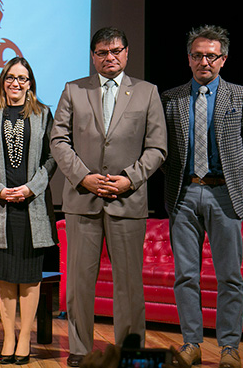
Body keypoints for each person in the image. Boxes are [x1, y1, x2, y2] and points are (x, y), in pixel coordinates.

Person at [50, 27, 167, 367]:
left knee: (128, 286)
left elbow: (157, 148)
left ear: (127, 53)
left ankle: (130, 349)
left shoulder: (147, 92)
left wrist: (128, 179)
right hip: (81, 202)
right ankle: (79, 348)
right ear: (93, 55)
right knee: (79, 283)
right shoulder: (74, 90)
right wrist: (83, 177)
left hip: (127, 201)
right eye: (102, 52)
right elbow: (58, 140)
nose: (110, 57)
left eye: (116, 50)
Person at [161, 25, 243, 368]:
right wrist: (182, 180)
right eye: (197, 55)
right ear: (188, 58)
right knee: (186, 275)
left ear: (223, 59)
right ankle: (191, 344)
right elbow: (160, 152)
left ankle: (229, 349)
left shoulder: (242, 96)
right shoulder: (171, 98)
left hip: (224, 195)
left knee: (230, 277)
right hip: (185, 194)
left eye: (211, 55)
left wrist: (234, 181)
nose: (204, 61)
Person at [0, 57, 57, 365]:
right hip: (0, 209)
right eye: (11, 77)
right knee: (4, 278)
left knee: (29, 278)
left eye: (22, 78)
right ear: (3, 81)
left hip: (33, 208)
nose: (16, 83)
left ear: (30, 83)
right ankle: (8, 337)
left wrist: (31, 188)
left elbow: (53, 158)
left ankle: (25, 337)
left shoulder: (43, 114)